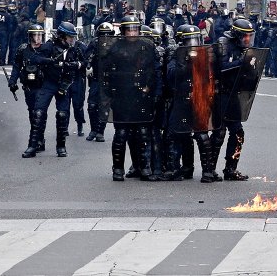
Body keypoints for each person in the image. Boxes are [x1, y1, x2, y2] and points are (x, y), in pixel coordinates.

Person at [105, 15, 163, 181]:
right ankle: (117, 169)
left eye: (135, 29)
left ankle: (144, 168)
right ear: (123, 31)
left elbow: (154, 70)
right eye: (129, 29)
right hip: (122, 95)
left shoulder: (147, 46)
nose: (132, 32)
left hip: (142, 94)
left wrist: (152, 89)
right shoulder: (115, 48)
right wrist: (110, 93)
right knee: (121, 133)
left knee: (143, 133)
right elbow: (106, 73)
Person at [166, 24, 221, 182]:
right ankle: (183, 168)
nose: (193, 45)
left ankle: (208, 171)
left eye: (195, 40)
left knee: (201, 133)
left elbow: (215, 74)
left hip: (199, 98)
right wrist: (186, 63)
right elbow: (170, 75)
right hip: (182, 98)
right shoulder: (176, 55)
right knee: (177, 133)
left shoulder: (205, 55)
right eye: (189, 41)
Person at [211, 18, 263, 180]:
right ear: (236, 34)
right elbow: (221, 68)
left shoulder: (244, 48)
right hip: (220, 94)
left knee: (238, 132)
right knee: (219, 133)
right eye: (244, 36)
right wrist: (242, 62)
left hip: (235, 94)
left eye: (250, 36)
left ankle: (230, 169)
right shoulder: (223, 44)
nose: (248, 40)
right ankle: (209, 169)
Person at [22, 21, 83, 158]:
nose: (72, 40)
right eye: (69, 37)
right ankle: (32, 146)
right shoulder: (50, 45)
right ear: (62, 36)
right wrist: (50, 61)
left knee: (62, 115)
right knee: (38, 113)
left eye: (73, 37)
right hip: (49, 83)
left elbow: (85, 62)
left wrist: (76, 65)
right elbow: (35, 58)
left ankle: (61, 146)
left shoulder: (74, 48)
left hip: (64, 84)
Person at [9, 24, 47, 154]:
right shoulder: (23, 50)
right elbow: (16, 66)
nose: (38, 38)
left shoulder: (46, 49)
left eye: (40, 35)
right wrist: (12, 81)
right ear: (30, 36)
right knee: (33, 113)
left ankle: (35, 142)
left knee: (39, 113)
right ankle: (40, 139)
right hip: (29, 87)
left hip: (42, 87)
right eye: (35, 35)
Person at [84, 22, 115, 142]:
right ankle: (93, 129)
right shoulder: (94, 43)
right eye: (103, 34)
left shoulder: (115, 45)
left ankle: (100, 131)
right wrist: (88, 65)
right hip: (96, 78)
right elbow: (86, 56)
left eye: (107, 34)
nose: (105, 37)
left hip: (109, 80)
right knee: (92, 105)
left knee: (105, 106)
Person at [0, 0, 11, 65]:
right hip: (4, 32)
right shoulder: (7, 15)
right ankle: (2, 61)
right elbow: (9, 25)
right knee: (3, 47)